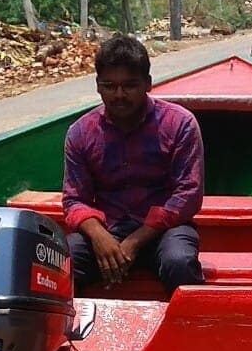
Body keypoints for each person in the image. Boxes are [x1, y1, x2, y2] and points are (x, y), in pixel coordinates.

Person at [61, 35, 205, 295]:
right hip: (109, 230)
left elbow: (188, 196)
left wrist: (134, 242)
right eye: (109, 86)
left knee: (179, 262)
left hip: (165, 232)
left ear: (147, 84)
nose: (119, 95)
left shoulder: (180, 124)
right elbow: (74, 200)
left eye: (129, 86)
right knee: (60, 264)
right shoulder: (80, 132)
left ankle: (192, 331)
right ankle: (70, 332)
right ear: (97, 86)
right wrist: (99, 236)